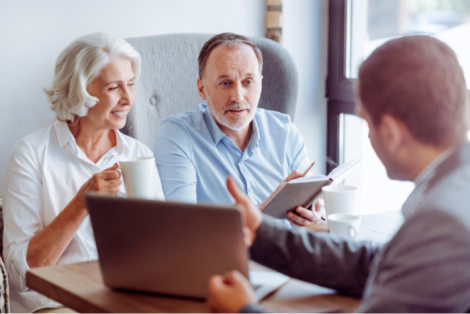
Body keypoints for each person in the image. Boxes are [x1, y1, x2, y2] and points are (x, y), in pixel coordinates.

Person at [206, 35, 470, 313]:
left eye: (366, 122)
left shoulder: (442, 221)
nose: (368, 135)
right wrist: (261, 232)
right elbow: (375, 263)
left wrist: (243, 310)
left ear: (391, 133)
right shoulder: (456, 187)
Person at [3, 33, 164, 313]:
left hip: (125, 298)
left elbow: (163, 248)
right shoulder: (31, 154)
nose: (128, 99)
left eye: (131, 85)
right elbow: (20, 275)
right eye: (114, 87)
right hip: (57, 302)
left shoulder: (139, 156)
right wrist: (81, 203)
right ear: (80, 91)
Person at [154, 33, 318, 226]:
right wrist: (272, 206)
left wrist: (312, 217)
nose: (238, 97)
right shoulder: (177, 135)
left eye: (248, 82)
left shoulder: (285, 131)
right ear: (201, 88)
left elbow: (315, 216)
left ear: (260, 83)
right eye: (225, 83)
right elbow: (183, 227)